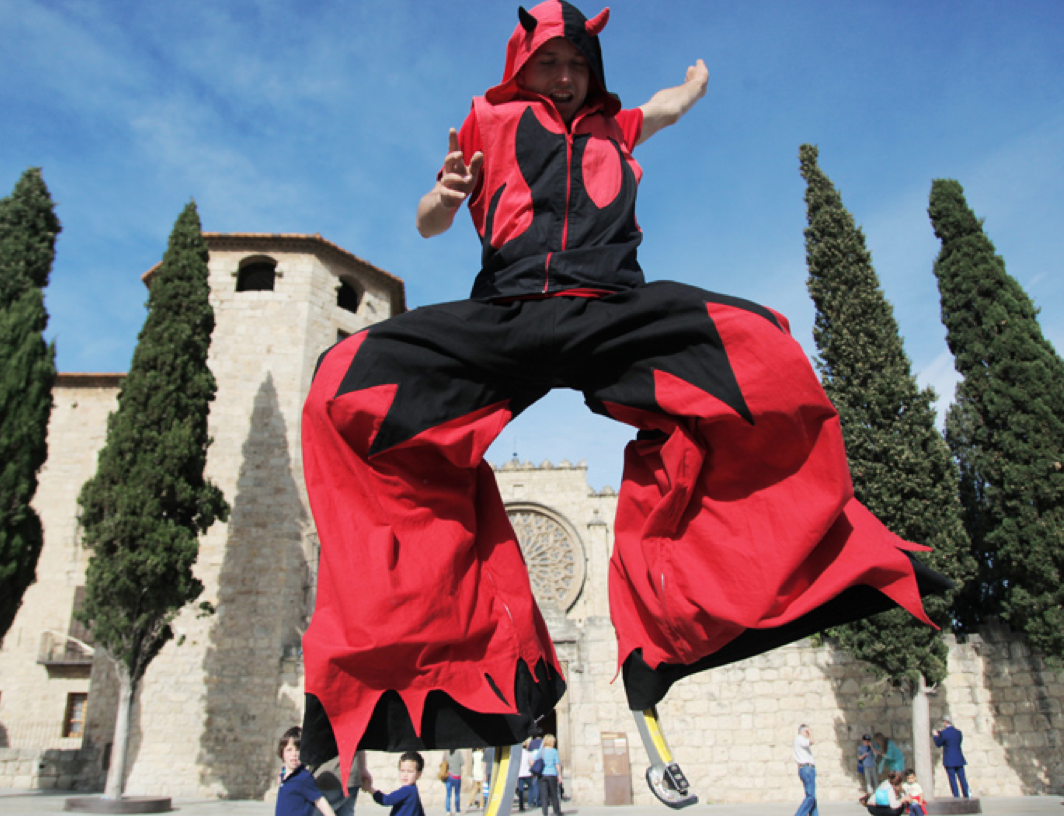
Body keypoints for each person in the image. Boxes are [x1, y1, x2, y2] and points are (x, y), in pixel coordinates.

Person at [298, 0, 946, 792]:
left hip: (612, 313)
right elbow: (431, 220)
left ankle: (798, 567)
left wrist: (691, 88)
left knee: (760, 347)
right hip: (511, 316)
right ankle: (453, 659)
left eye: (577, 64)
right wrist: (447, 189)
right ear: (521, 69)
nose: (564, 76)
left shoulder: (618, 127)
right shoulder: (485, 123)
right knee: (346, 389)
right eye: (549, 64)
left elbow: (662, 111)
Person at [276, 727, 339, 816]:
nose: (294, 754)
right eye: (289, 750)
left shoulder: (303, 778)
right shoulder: (284, 773)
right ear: (282, 753)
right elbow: (282, 773)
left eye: (298, 750)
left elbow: (320, 801)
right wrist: (280, 776)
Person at [364, 752, 426, 816]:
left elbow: (386, 800)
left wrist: (370, 789)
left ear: (419, 774)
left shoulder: (406, 791)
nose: (405, 775)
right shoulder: (413, 791)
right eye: (402, 770)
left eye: (410, 771)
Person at [933, 715, 970, 798]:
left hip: (949, 759)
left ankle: (956, 796)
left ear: (945, 722)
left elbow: (938, 744)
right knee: (962, 778)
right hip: (959, 758)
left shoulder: (944, 733)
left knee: (952, 779)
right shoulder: (958, 732)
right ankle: (966, 794)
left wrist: (936, 736)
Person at [792, 724, 817, 816]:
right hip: (806, 768)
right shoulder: (800, 739)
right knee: (810, 796)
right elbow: (811, 741)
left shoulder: (800, 740)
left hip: (808, 769)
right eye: (806, 732)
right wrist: (811, 733)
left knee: (812, 797)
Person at [537, 735, 562, 816]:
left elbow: (534, 761)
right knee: (554, 794)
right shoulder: (554, 751)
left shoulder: (541, 751)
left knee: (544, 796)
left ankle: (545, 813)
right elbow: (557, 764)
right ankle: (557, 812)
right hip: (552, 774)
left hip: (542, 774)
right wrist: (559, 775)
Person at [445, 748, 464, 814]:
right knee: (457, 794)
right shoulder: (458, 752)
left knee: (448, 794)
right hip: (457, 776)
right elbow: (462, 762)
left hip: (449, 776)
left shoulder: (446, 753)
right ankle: (457, 810)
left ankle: (448, 811)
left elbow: (443, 762)